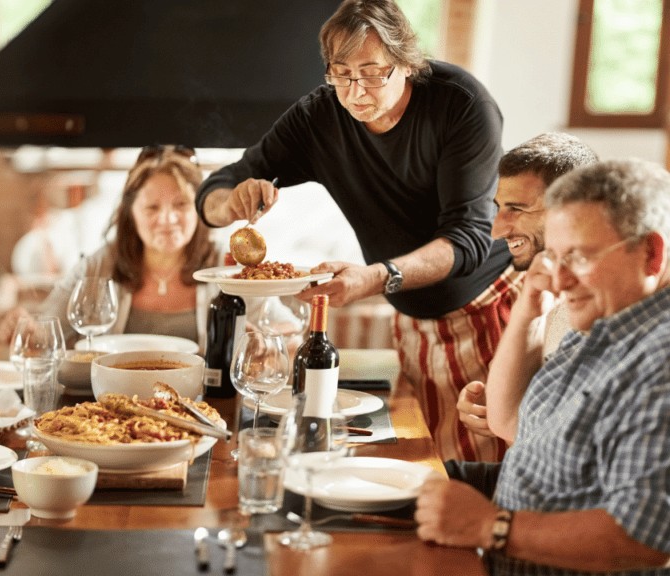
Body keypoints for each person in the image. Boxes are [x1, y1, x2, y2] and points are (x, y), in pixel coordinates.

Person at [196, 0, 511, 462]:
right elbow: (215, 189)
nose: (355, 91)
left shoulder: (460, 105)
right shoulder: (319, 116)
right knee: (432, 464)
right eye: (340, 73)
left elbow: (467, 240)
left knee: (492, 467)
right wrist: (233, 201)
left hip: (487, 305)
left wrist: (372, 277)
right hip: (410, 312)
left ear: (406, 62)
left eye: (371, 72)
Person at [416, 158, 670, 575]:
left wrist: (488, 527)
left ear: (651, 253)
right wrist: (529, 311)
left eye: (579, 257)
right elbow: (510, 420)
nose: (559, 279)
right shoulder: (604, 322)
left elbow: (643, 538)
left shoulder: (659, 361)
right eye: (554, 257)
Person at [0, 144, 223, 348]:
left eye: (181, 204)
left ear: (199, 208)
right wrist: (28, 332)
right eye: (152, 208)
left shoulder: (223, 265)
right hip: (114, 393)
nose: (167, 219)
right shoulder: (101, 263)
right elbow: (47, 334)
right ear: (131, 213)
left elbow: (254, 343)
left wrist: (257, 349)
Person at [456, 133, 598, 444]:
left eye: (517, 209)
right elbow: (516, 421)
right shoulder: (542, 287)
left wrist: (503, 417)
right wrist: (491, 406)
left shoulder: (605, 303)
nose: (497, 230)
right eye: (499, 208)